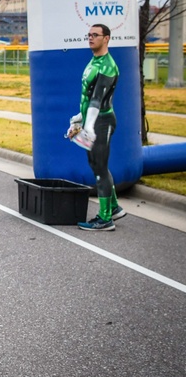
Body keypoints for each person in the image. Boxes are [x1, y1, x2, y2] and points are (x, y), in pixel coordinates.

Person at [68, 23, 126, 231]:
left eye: (96, 35)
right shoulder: (94, 60)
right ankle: (114, 208)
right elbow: (86, 96)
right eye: (89, 34)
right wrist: (78, 119)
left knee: (100, 168)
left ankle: (105, 218)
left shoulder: (107, 66)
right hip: (93, 120)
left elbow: (97, 100)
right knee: (96, 165)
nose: (91, 38)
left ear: (107, 38)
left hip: (101, 122)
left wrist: (89, 127)